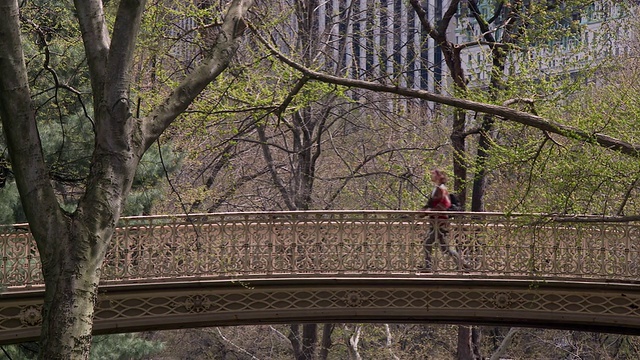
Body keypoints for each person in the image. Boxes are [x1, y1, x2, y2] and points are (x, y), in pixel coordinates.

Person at [420, 169, 468, 270]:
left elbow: (443, 205)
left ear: (439, 177)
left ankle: (428, 267)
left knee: (428, 243)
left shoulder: (441, 189)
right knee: (445, 248)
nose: (432, 176)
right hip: (436, 221)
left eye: (434, 174)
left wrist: (429, 210)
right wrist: (423, 211)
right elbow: (431, 204)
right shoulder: (438, 189)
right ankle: (462, 264)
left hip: (440, 222)